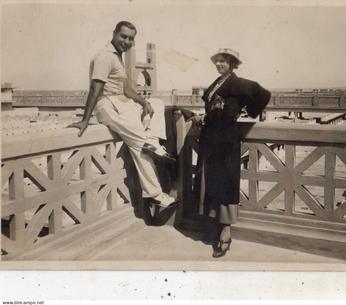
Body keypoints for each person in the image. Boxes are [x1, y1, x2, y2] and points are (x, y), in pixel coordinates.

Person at [68, 21, 177, 209]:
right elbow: (96, 88)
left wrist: (143, 102)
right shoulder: (105, 57)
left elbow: (126, 88)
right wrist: (85, 119)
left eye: (131, 38)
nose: (127, 41)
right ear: (114, 34)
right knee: (139, 145)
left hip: (123, 104)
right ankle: (156, 195)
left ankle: (152, 140)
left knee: (157, 104)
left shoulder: (118, 57)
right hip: (109, 106)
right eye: (123, 36)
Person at [188, 48, 271, 258]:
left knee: (225, 183)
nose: (219, 64)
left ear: (232, 64)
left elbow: (262, 94)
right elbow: (214, 110)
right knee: (212, 183)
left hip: (225, 140)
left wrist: (251, 110)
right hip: (211, 139)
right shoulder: (217, 83)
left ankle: (226, 232)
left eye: (223, 61)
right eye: (217, 61)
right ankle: (216, 227)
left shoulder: (237, 83)